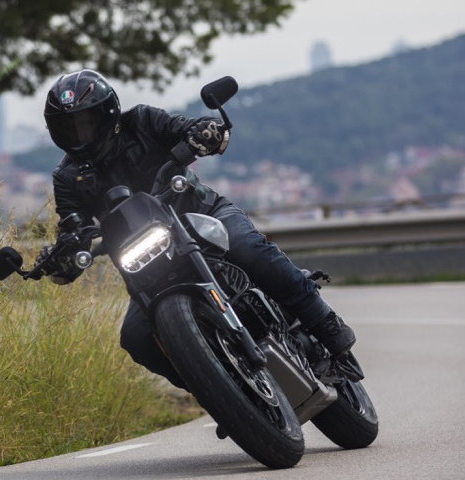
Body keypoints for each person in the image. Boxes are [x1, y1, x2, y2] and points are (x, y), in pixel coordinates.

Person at [35, 69, 356, 390]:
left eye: (87, 122)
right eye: (71, 128)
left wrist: (205, 132)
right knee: (135, 338)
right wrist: (63, 253)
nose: (81, 133)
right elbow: (71, 224)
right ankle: (218, 391)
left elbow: (183, 127)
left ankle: (323, 320)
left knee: (247, 247)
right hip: (146, 260)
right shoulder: (67, 177)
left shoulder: (142, 121)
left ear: (107, 113)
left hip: (199, 213)